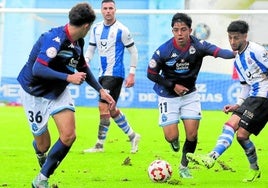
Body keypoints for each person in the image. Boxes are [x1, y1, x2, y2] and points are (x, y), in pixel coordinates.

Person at [17, 3, 115, 188]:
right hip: (34, 93)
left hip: (58, 91)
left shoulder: (78, 42)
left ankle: (41, 179)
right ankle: (40, 152)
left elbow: (83, 67)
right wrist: (69, 77)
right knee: (43, 145)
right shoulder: (54, 38)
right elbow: (38, 68)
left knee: (69, 135)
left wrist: (100, 90)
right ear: (87, 26)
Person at [147, 13, 235, 178]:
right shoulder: (164, 50)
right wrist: (172, 85)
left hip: (190, 95)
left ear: (190, 30)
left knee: (192, 135)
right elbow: (151, 74)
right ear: (172, 31)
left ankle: (183, 166)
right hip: (167, 95)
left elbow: (219, 52)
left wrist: (238, 52)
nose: (179, 33)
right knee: (171, 136)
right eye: (176, 30)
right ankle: (174, 141)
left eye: (183, 30)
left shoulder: (199, 45)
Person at [186, 20, 268, 182]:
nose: (232, 42)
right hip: (253, 97)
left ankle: (212, 157)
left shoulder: (257, 51)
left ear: (245, 36)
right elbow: (245, 85)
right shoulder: (237, 59)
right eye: (230, 38)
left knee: (237, 130)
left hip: (263, 97)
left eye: (236, 38)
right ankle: (251, 169)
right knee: (238, 132)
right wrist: (238, 104)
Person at [83, 0, 140, 154]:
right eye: (105, 8)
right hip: (102, 74)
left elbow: (133, 52)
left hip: (115, 74)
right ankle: (133, 135)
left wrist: (132, 73)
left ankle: (99, 145)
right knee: (111, 109)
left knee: (102, 106)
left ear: (115, 10)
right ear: (101, 11)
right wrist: (86, 61)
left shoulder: (122, 30)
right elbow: (90, 49)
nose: (108, 11)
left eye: (111, 8)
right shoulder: (96, 29)